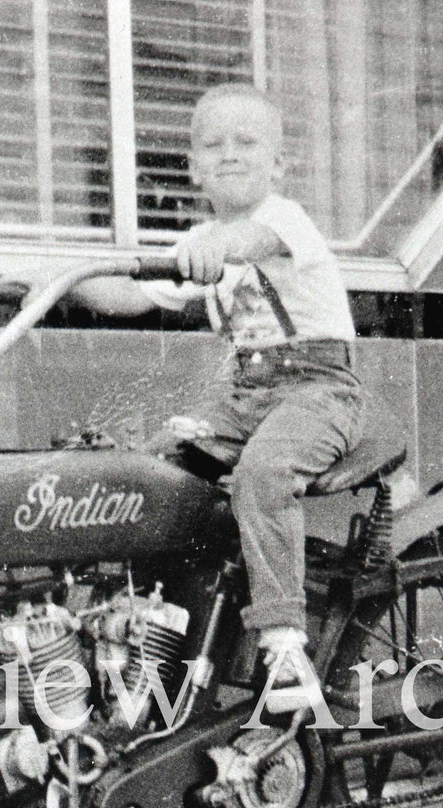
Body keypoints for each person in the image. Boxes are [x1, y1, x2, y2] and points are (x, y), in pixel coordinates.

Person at [27, 83, 365, 714]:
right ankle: (147, 632)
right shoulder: (203, 236)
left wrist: (215, 248)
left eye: (246, 142)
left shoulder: (283, 219)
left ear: (279, 164)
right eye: (213, 145)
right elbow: (129, 296)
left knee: (265, 472)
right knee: (150, 467)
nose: (229, 154)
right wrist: (57, 280)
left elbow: (253, 242)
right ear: (193, 167)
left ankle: (283, 643)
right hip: (244, 392)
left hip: (319, 389)